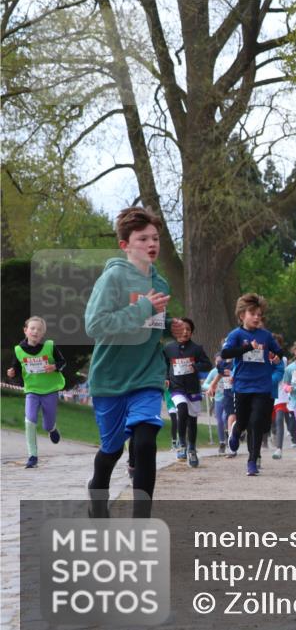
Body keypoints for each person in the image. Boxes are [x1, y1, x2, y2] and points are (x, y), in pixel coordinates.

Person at [83, 206, 184, 518]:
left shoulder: (162, 283)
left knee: (144, 443)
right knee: (111, 451)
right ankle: (97, 491)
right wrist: (143, 308)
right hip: (111, 378)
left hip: (147, 376)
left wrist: (171, 326)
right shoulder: (113, 278)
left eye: (155, 238)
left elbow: (152, 322)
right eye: (143, 239)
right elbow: (95, 325)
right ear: (125, 245)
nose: (151, 244)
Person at [221, 293, 283, 476]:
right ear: (242, 315)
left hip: (262, 386)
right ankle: (235, 432)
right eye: (253, 313)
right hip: (242, 386)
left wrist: (278, 355)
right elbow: (226, 354)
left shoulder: (266, 335)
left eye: (259, 314)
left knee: (256, 423)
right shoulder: (236, 334)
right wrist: (248, 347)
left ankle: (252, 460)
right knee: (242, 421)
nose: (257, 317)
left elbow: (279, 350)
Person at [6, 316, 66, 467]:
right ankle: (32, 456)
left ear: (43, 334)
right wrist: (12, 372)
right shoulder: (19, 350)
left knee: (47, 424)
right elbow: (17, 368)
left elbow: (62, 362)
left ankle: (52, 429)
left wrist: (54, 367)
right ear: (25, 331)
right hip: (32, 390)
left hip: (50, 390)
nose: (35, 331)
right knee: (30, 419)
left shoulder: (50, 346)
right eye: (32, 328)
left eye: (39, 329)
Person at [163, 317, 212, 467]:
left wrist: (195, 366)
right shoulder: (168, 348)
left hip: (192, 388)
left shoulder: (196, 349)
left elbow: (207, 364)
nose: (185, 332)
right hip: (176, 387)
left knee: (192, 420)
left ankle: (192, 449)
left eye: (188, 330)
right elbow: (163, 365)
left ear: (191, 332)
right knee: (181, 408)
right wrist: (165, 377)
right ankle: (181, 443)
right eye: (182, 329)